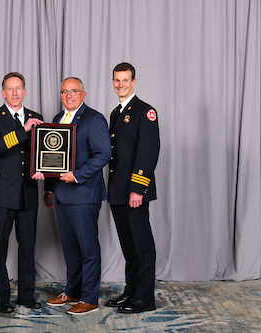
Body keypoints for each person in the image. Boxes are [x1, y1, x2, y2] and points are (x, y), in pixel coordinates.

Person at [33, 77, 111, 315]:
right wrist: (49, 189)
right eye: (64, 92)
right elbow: (51, 156)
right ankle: (74, 291)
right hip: (61, 195)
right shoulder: (57, 119)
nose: (68, 95)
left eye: (73, 91)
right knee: (70, 249)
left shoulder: (94, 119)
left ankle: (89, 298)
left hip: (84, 194)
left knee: (88, 249)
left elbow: (103, 154)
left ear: (83, 94)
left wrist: (76, 175)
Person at [0, 72, 43, 313]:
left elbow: (42, 150)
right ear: (3, 92)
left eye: (19, 88)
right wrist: (24, 130)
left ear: (24, 92)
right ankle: (2, 298)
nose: (15, 92)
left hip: (28, 191)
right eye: (10, 88)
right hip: (3, 193)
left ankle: (26, 295)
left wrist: (42, 170)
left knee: (27, 246)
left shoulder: (37, 117)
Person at [105, 62, 160, 314]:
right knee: (128, 246)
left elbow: (148, 152)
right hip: (118, 190)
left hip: (134, 191)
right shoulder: (116, 113)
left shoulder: (145, 111)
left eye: (125, 80)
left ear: (134, 81)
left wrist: (138, 189)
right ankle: (131, 291)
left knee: (142, 245)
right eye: (117, 80)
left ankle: (145, 298)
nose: (120, 85)